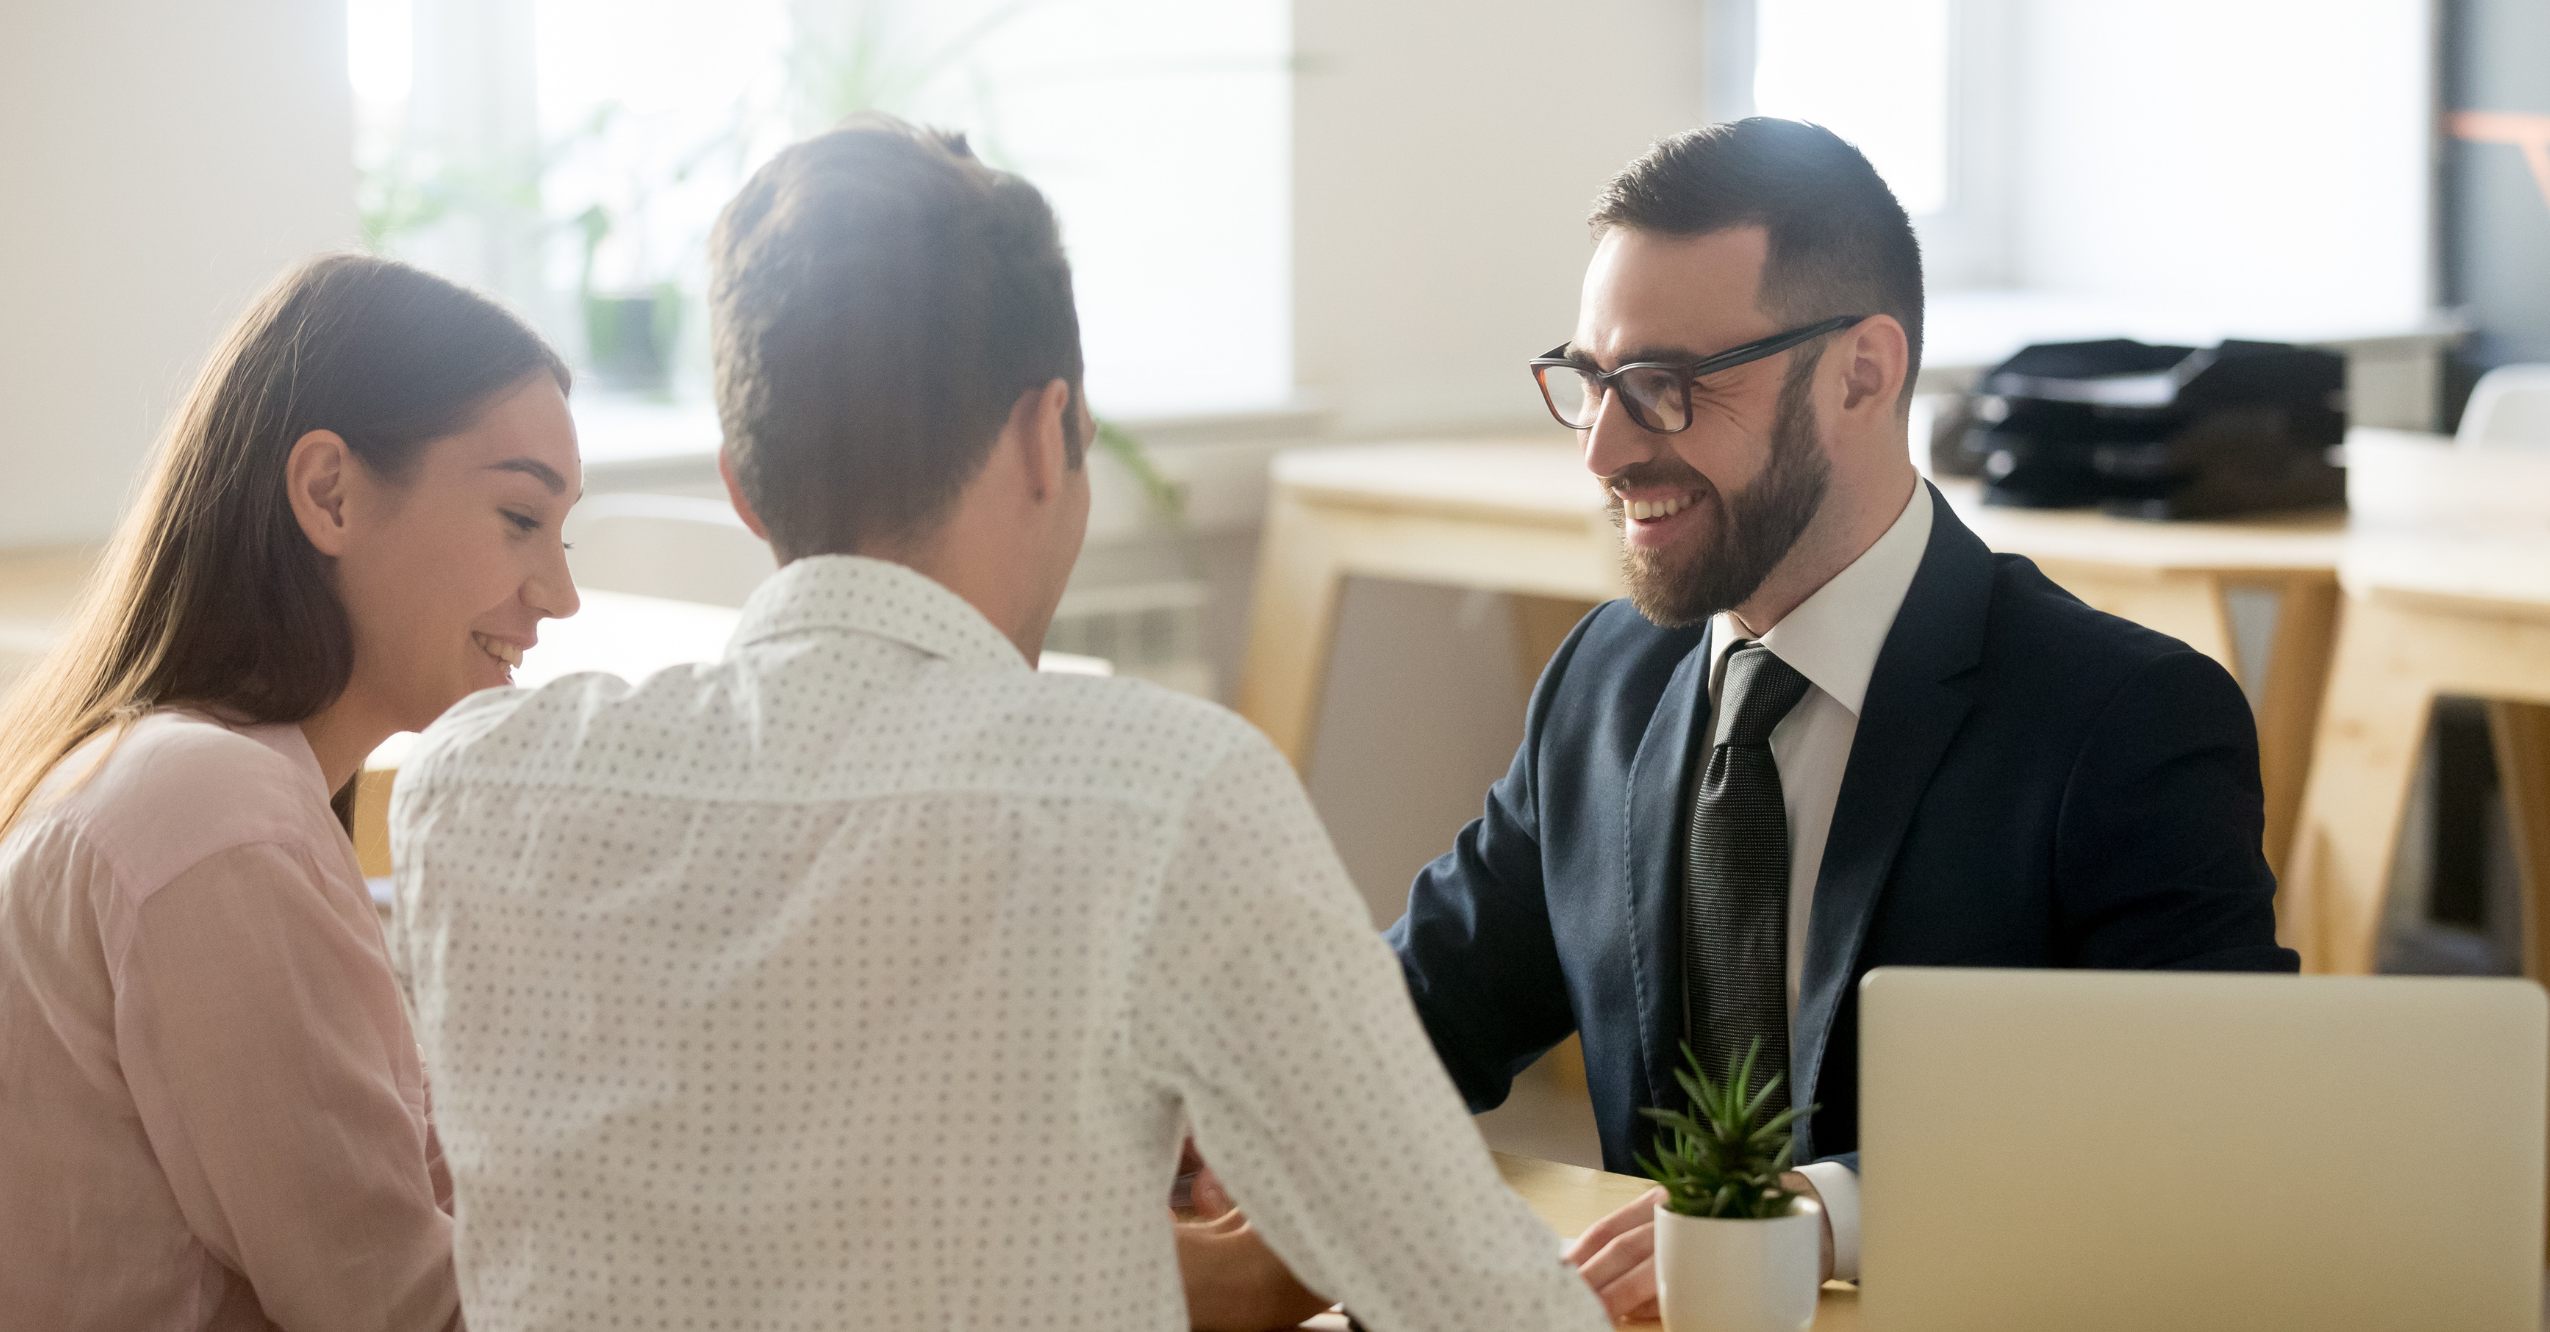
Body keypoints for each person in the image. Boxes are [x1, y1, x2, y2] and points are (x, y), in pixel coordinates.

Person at [386, 116, 1610, 1332]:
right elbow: (1488, 1305)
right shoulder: (1167, 794)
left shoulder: (467, 791)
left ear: (744, 487)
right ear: (1047, 434)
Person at [1384, 118, 2300, 1320]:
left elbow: (2206, 1116)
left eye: (1665, 388)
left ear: (1862, 373)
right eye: (1592, 381)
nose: (1605, 448)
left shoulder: (2125, 722)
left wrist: (1814, 1220)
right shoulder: (1605, 683)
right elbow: (1413, 1016)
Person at [0, 254, 582, 1330]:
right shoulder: (212, 817)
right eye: (518, 519)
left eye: (563, 532)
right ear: (329, 493)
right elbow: (399, 1309)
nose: (560, 594)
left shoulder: (186, 779)